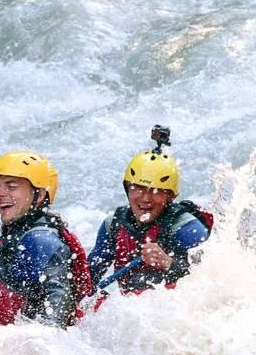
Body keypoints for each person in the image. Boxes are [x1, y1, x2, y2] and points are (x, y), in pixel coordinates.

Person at [0, 151, 93, 327]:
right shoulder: (1, 243)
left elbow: (57, 301)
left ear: (40, 195)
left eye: (11, 186)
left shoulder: (42, 241)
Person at [88, 126, 213, 294]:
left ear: (170, 197)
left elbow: (213, 278)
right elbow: (87, 279)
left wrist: (169, 263)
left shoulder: (187, 228)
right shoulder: (114, 225)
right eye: (138, 188)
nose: (145, 198)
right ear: (127, 188)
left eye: (157, 191)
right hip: (131, 309)